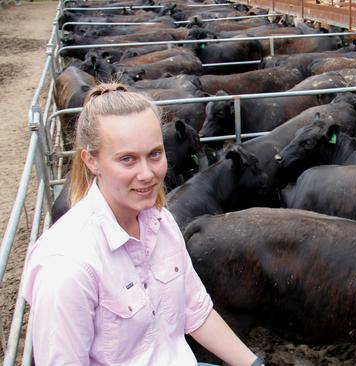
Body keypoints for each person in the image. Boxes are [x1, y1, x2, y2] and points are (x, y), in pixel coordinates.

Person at [22, 84, 263, 366]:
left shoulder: (162, 223)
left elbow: (196, 311)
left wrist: (254, 364)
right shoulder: (67, 265)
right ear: (91, 161)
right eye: (127, 159)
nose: (147, 174)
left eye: (155, 154)